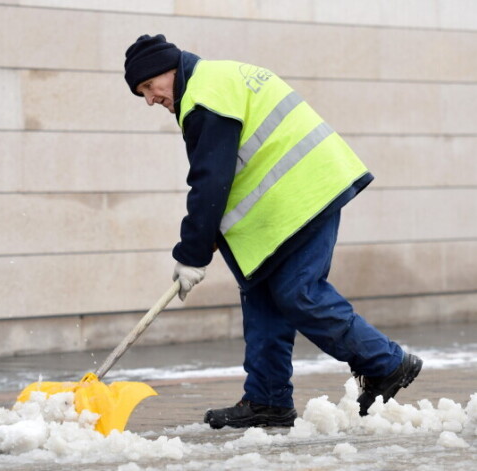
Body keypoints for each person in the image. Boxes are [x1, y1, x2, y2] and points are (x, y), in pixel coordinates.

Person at [123, 34, 423, 428]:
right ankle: (268, 400)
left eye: (149, 86)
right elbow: (234, 168)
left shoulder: (203, 97)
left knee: (298, 291)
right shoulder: (215, 80)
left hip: (304, 194)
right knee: (263, 295)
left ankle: (386, 362)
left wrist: (191, 253)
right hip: (282, 205)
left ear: (166, 69)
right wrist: (210, 235)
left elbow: (210, 182)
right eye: (141, 92)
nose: (150, 99)